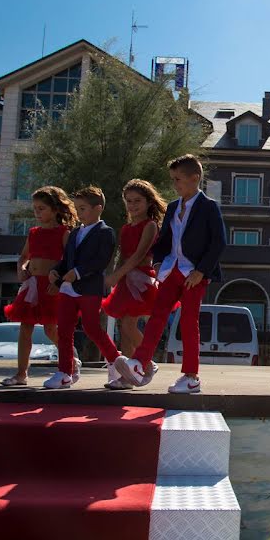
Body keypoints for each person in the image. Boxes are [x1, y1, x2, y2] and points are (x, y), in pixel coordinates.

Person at [114, 155, 227, 394]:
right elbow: (165, 239)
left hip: (194, 274)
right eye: (173, 180)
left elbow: (218, 242)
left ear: (194, 179)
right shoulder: (174, 207)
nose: (175, 185)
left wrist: (201, 271)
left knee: (188, 322)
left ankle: (191, 376)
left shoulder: (209, 207)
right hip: (170, 270)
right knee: (157, 316)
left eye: (178, 180)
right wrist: (156, 261)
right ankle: (139, 363)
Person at [1, 186, 76, 386]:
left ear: (55, 209)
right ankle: (21, 374)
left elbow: (70, 260)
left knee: (51, 329)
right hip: (32, 285)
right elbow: (23, 258)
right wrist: (21, 268)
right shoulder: (33, 233)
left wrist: (59, 282)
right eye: (35, 208)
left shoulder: (64, 232)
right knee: (25, 327)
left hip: (52, 286)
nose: (37, 212)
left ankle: (70, 360)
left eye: (42, 208)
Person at [46, 186, 119, 389]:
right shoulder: (75, 232)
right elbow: (66, 259)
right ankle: (64, 372)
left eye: (83, 208)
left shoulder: (106, 232)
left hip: (89, 288)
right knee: (64, 330)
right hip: (68, 289)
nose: (79, 213)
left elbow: (100, 260)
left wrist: (78, 272)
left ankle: (115, 362)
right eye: (77, 208)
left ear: (98, 208)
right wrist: (56, 270)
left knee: (92, 327)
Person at [101, 179, 166, 390]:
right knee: (123, 326)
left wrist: (117, 274)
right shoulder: (126, 228)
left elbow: (139, 256)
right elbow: (122, 255)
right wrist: (116, 276)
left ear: (148, 202)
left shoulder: (150, 225)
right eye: (128, 201)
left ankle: (147, 362)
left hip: (141, 280)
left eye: (137, 201)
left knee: (129, 324)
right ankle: (128, 375)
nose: (132, 205)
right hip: (125, 280)